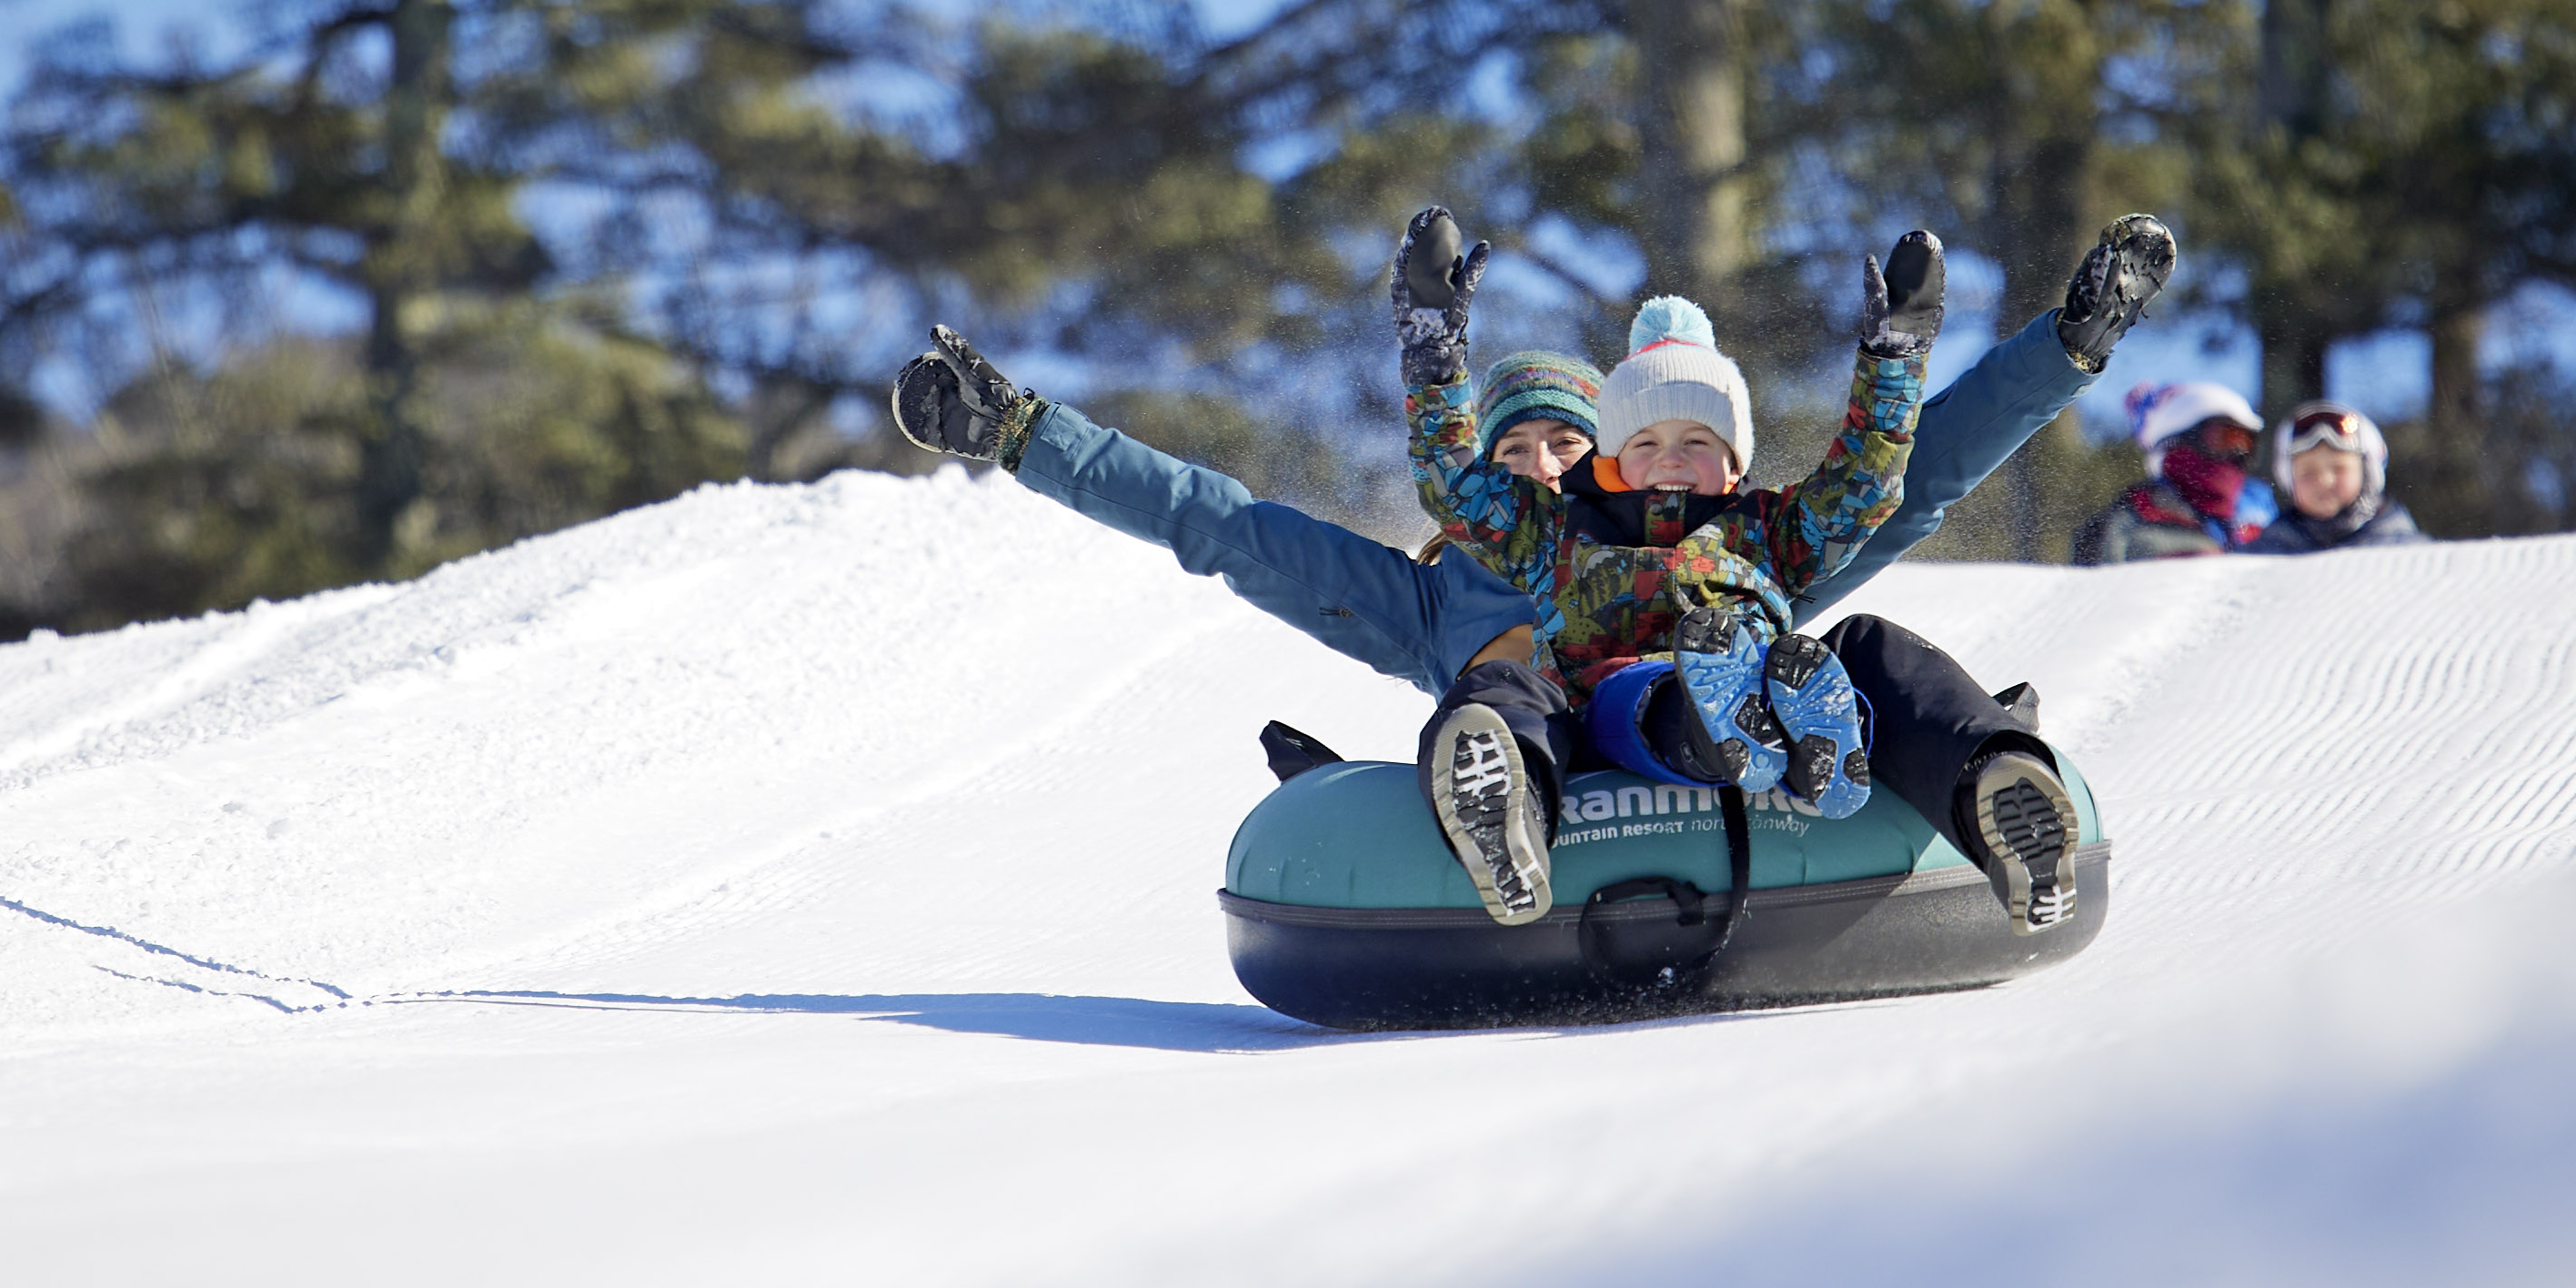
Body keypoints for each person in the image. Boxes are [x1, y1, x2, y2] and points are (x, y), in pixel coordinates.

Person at [890, 213, 2180, 938]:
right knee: (1501, 682)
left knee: (1876, 650)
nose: (1548, 463)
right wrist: (1020, 431)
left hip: (1732, 692)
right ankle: (1492, 795)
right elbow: (1213, 519)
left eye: (1571, 442)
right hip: (1551, 732)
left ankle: (1981, 774)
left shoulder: (1726, 544)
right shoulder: (1434, 592)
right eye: (1521, 449)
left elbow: (1921, 467)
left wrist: (2066, 348)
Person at [1394, 207, 1937, 926]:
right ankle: (1507, 808)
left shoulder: (1771, 529)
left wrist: (1893, 362)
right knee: (1504, 683)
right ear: (1612, 457)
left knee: (1810, 654)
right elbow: (1452, 481)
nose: (1673, 457)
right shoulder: (1554, 528)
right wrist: (1437, 362)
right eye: (1646, 440)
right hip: (1608, 705)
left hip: (1734, 673)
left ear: (1737, 459)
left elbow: (1867, 478)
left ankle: (1815, 731)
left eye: (1698, 438)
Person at [2070, 381, 2271, 563]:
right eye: (2223, 439)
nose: (2236, 454)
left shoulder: (2266, 520)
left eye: (2245, 444)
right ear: (2178, 441)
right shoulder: (2127, 523)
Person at [2249, 399, 2428, 552]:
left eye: (2339, 468)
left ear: (2368, 473)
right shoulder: (2266, 555)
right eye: (2308, 473)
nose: (2324, 481)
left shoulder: (2409, 554)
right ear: (2287, 478)